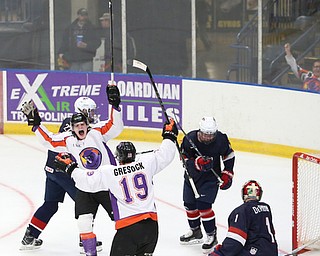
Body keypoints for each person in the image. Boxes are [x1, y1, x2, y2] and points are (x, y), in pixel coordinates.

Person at [21, 85, 123, 256]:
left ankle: (30, 235)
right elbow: (59, 144)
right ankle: (84, 241)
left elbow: (51, 140)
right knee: (86, 201)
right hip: (66, 172)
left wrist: (36, 125)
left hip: (52, 171)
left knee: (50, 204)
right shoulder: (74, 131)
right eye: (89, 111)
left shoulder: (74, 125)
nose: (91, 115)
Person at [55, 118, 179, 256]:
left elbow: (87, 182)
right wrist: (169, 136)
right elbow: (166, 154)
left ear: (118, 158)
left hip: (128, 230)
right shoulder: (146, 164)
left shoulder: (111, 172)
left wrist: (70, 168)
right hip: (152, 228)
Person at [179, 116, 235, 254]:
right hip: (192, 177)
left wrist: (227, 173)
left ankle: (211, 235)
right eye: (206, 134)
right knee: (189, 204)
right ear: (200, 131)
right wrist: (197, 163)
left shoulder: (220, 139)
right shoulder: (190, 138)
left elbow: (229, 155)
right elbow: (183, 157)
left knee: (204, 206)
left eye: (211, 135)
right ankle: (195, 232)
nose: (208, 138)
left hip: (210, 179)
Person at [209, 180, 278, 256]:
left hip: (253, 252)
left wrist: (220, 253)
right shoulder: (266, 208)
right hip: (272, 251)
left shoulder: (242, 211)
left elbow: (236, 240)